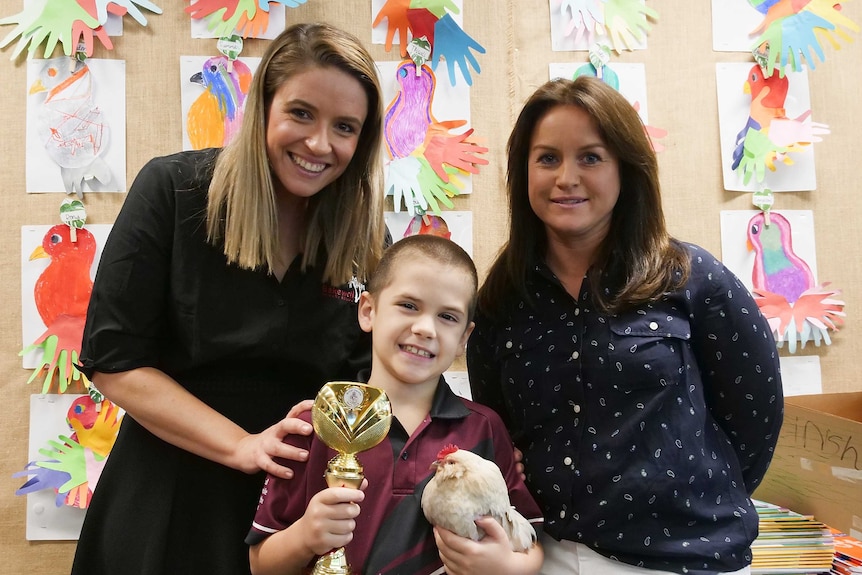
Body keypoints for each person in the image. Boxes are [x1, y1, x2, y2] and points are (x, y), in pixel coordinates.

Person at [71, 23, 387, 575]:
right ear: (263, 105)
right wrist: (242, 446)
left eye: (345, 127)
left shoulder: (366, 238)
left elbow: (377, 380)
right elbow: (113, 359)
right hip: (169, 496)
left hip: (296, 514)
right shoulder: (173, 191)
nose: (319, 144)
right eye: (301, 113)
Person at [465, 76, 784, 575]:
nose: (566, 177)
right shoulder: (502, 299)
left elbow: (755, 413)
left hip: (686, 557)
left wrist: (689, 492)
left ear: (626, 170)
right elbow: (497, 426)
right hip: (541, 555)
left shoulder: (690, 277)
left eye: (590, 157)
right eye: (547, 158)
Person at [246, 234, 545, 575]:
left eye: (447, 317)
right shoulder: (312, 423)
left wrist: (506, 566)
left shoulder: (484, 428)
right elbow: (260, 564)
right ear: (368, 311)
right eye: (409, 305)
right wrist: (305, 537)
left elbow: (532, 544)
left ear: (464, 338)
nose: (424, 328)